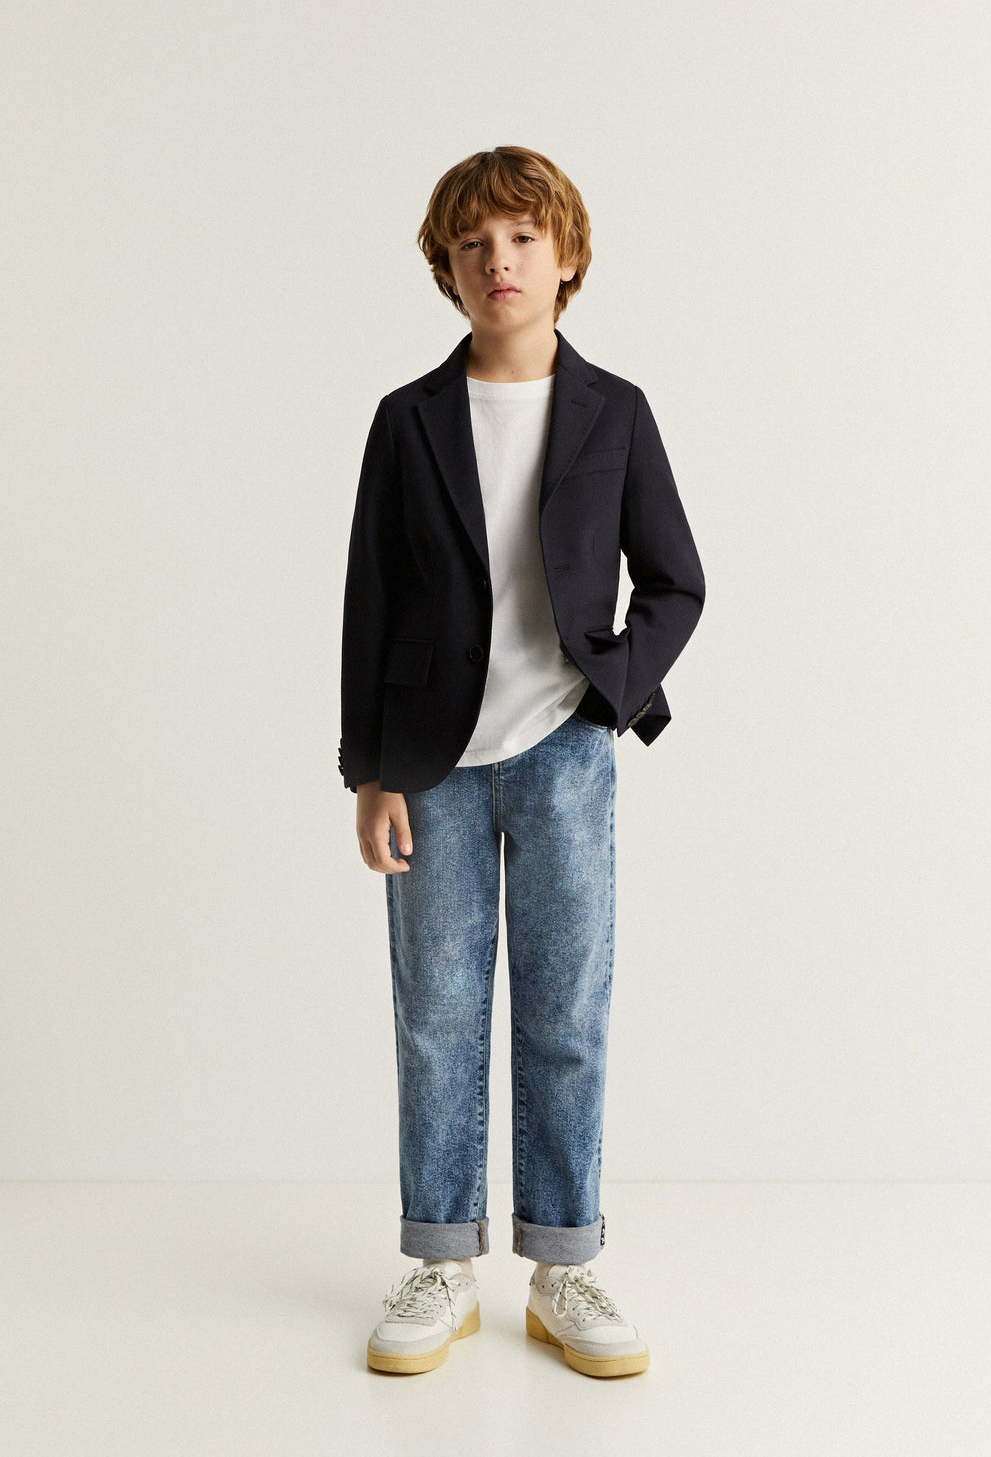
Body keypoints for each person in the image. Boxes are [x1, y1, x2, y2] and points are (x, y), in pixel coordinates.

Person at [339, 145, 705, 1377]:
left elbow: (676, 581)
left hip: (564, 757)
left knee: (564, 1014)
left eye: (521, 238)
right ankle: (441, 1260)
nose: (498, 260)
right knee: (437, 1015)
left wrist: (612, 687)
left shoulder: (615, 412)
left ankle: (563, 1264)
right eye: (473, 243)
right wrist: (367, 771)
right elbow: (370, 600)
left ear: (566, 259)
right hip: (428, 764)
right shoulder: (408, 420)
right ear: (447, 270)